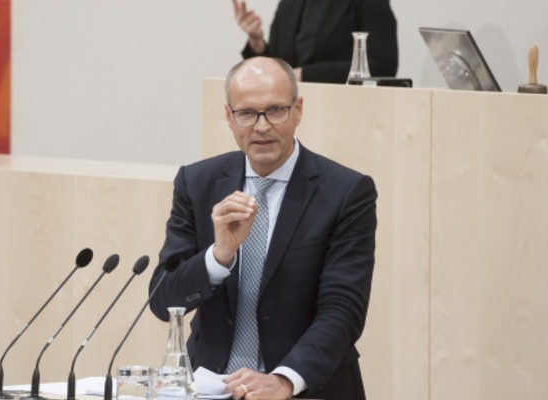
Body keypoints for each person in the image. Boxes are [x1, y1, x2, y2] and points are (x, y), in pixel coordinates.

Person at [149, 57, 377, 400]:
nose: (262, 126)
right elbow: (164, 300)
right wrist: (219, 255)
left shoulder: (345, 192)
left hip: (305, 388)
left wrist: (284, 380)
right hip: (214, 388)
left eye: (276, 111)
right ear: (229, 116)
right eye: (247, 113)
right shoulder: (196, 183)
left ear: (298, 110)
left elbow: (342, 310)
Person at [231, 0, 398, 83]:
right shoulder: (290, 3)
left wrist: (305, 74)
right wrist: (257, 43)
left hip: (345, 111)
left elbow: (382, 65)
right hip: (288, 118)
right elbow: (277, 69)